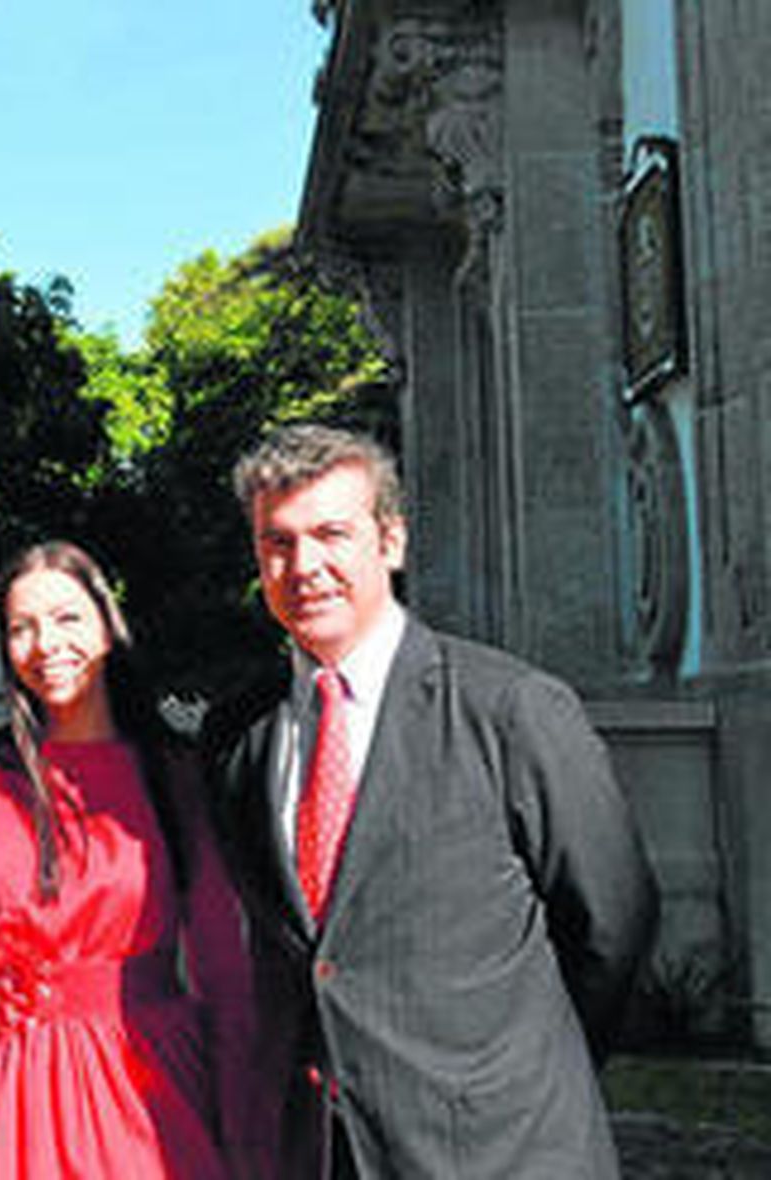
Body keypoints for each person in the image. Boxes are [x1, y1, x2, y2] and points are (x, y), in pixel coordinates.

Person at [208, 424, 658, 1178]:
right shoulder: (237, 736)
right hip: (316, 1154)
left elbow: (615, 923)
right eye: (277, 542)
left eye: (331, 534)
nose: (304, 566)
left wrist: (515, 1074)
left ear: (391, 541)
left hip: (502, 1148)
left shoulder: (512, 709)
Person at [0, 540, 264, 1179]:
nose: (46, 643)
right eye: (22, 627)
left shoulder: (176, 774)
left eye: (67, 618)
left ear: (107, 625)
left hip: (144, 1079)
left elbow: (221, 960)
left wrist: (241, 1107)